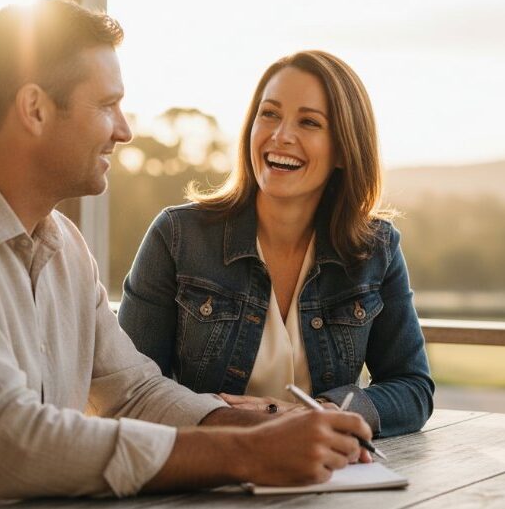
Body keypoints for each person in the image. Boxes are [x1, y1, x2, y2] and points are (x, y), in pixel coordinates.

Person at [0, 0, 373, 509]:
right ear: (34, 109)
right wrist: (247, 452)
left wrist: (265, 426)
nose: (124, 129)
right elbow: (10, 443)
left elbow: (134, 392)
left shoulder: (65, 247)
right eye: (106, 105)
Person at [118, 50, 434, 438]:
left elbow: (412, 388)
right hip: (206, 469)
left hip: (320, 474)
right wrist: (244, 421)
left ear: (343, 149)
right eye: (269, 114)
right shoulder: (177, 236)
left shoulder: (375, 249)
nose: (281, 135)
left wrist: (320, 413)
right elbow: (131, 390)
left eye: (309, 122)